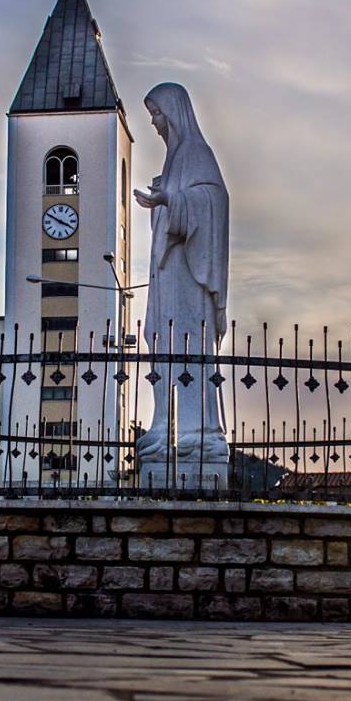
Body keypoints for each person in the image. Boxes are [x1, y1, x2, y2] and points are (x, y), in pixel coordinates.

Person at [132, 82, 229, 473]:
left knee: (188, 344)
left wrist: (170, 199)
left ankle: (199, 431)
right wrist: (164, 198)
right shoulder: (175, 160)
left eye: (157, 114)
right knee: (160, 339)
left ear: (174, 113)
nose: (154, 123)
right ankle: (164, 424)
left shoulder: (195, 153)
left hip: (189, 279)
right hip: (168, 276)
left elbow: (214, 202)